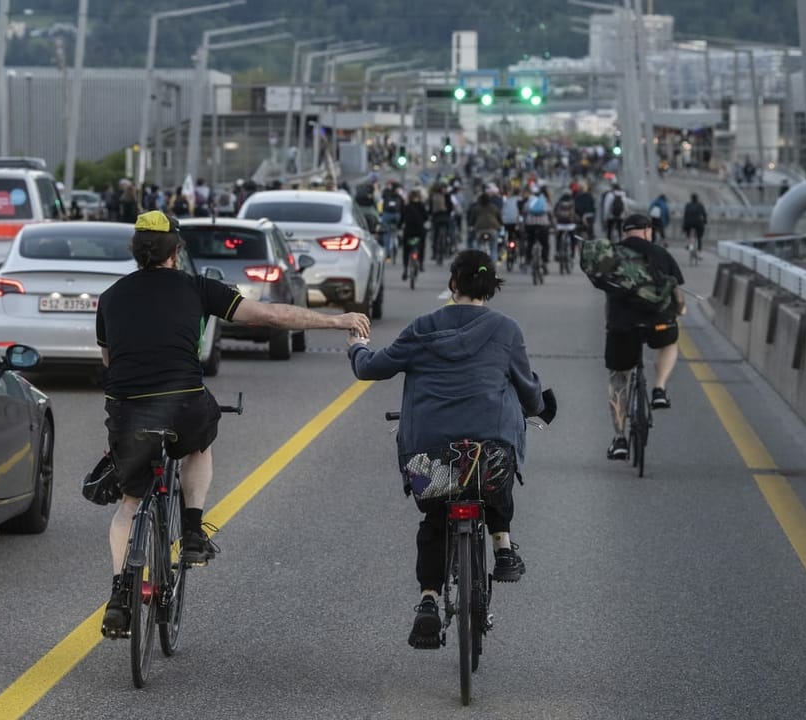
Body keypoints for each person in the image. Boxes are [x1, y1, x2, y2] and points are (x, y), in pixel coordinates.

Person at [96, 210, 371, 636]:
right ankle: (190, 531)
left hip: (128, 411)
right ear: (176, 252)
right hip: (183, 403)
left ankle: (118, 595)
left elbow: (110, 363)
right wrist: (336, 320)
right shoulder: (197, 288)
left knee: (129, 504)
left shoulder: (111, 296)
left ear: (136, 251)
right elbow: (271, 317)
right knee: (199, 443)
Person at [345, 250, 555, 648]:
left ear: (453, 284)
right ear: (492, 287)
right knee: (494, 472)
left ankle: (428, 600)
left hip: (427, 457)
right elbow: (529, 393)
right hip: (489, 454)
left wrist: (357, 346)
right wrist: (541, 405)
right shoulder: (506, 330)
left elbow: (370, 368)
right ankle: (503, 548)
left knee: (435, 519)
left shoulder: (422, 328)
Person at [601, 214, 687, 461]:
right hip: (658, 322)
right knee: (670, 343)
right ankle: (659, 389)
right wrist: (679, 309)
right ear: (648, 231)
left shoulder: (612, 256)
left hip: (622, 326)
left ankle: (619, 440)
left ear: (624, 232)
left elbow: (608, 295)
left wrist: (611, 323)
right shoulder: (662, 254)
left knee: (619, 379)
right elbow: (678, 293)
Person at [399, 188, 429, 280]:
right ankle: (421, 264)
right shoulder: (421, 206)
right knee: (422, 246)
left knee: (406, 249)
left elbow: (401, 219)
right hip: (419, 231)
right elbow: (426, 217)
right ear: (418, 197)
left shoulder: (407, 207)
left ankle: (405, 269)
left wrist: (399, 226)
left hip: (408, 232)